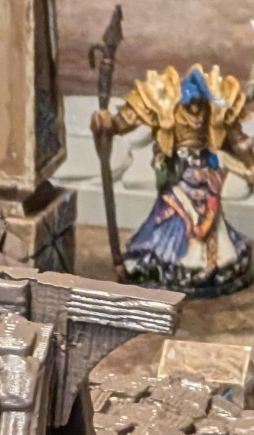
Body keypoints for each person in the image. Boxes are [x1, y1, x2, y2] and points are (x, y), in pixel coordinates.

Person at [92, 64, 254, 294]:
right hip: (178, 179)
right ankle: (166, 262)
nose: (196, 117)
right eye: (190, 106)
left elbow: (238, 141)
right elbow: (124, 121)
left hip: (206, 178)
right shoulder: (164, 101)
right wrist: (108, 123)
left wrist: (250, 163)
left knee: (210, 225)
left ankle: (208, 265)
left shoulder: (216, 105)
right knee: (171, 219)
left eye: (199, 106)